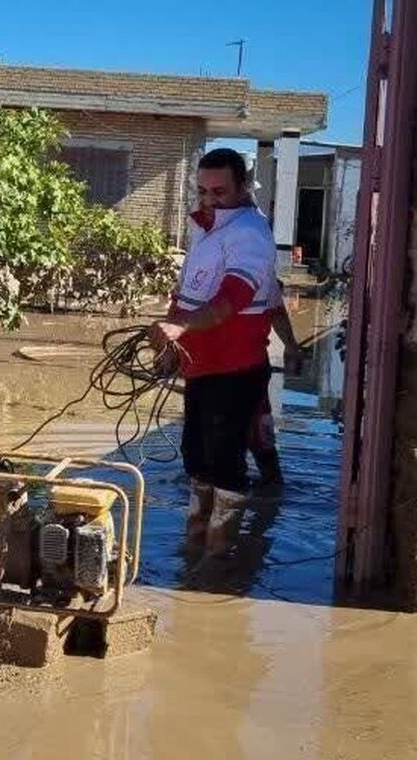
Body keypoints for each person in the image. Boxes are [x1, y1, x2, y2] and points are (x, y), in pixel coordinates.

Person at [146, 148, 276, 557]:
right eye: (202, 190)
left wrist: (180, 326)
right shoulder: (207, 228)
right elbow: (187, 293)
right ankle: (195, 543)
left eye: (219, 191)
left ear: (242, 187)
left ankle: (220, 557)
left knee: (225, 462)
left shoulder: (251, 234)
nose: (209, 199)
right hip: (200, 367)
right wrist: (172, 341)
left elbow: (228, 301)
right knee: (196, 458)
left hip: (236, 370)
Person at [247, 280, 303, 487]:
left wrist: (291, 346)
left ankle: (269, 487)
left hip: (248, 369)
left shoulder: (259, 268)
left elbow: (276, 309)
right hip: (217, 369)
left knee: (258, 434)